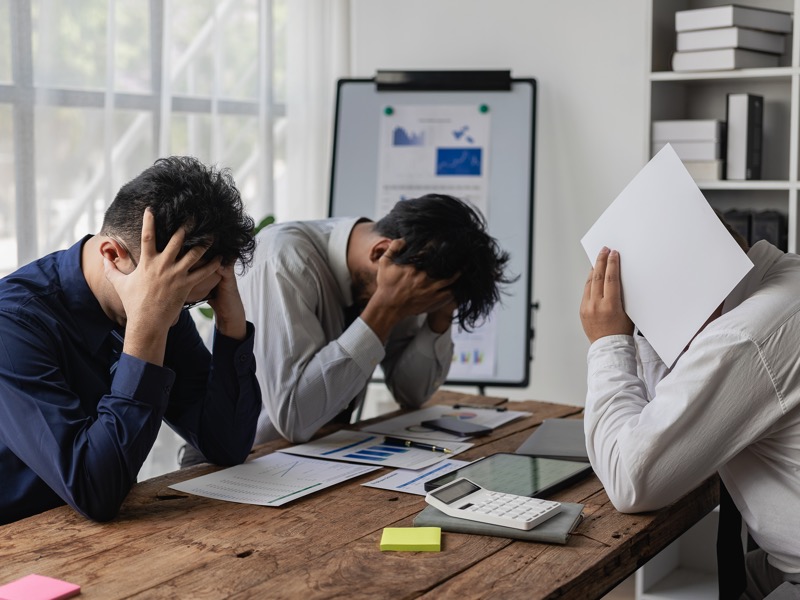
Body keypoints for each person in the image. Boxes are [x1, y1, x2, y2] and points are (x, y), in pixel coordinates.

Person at [0, 156, 262, 524]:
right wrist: (146, 327)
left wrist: (231, 323)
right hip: (16, 546)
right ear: (112, 255)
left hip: (99, 544)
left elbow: (227, 444)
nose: (178, 315)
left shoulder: (166, 303)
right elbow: (95, 490)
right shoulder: (13, 326)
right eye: (181, 301)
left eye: (193, 301)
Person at [580, 230, 800, 598]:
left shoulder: (743, 335)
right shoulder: (785, 282)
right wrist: (648, 336)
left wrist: (608, 342)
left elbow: (630, 480)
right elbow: (660, 417)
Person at [237, 193, 513, 445]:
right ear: (380, 253)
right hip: (239, 464)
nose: (413, 313)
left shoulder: (402, 270)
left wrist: (441, 312)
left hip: (321, 456)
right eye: (415, 307)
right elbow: (293, 418)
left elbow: (411, 393)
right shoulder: (284, 260)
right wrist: (386, 307)